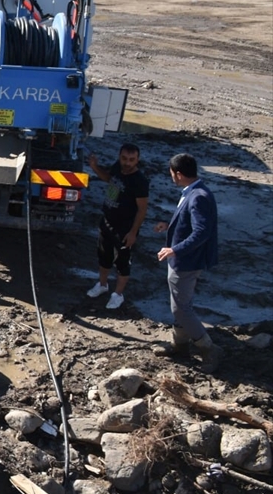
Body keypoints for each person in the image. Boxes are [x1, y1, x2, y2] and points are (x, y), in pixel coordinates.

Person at [153, 153, 222, 371]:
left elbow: (202, 232)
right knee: (178, 306)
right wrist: (170, 226)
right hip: (183, 260)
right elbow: (190, 223)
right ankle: (179, 345)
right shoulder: (194, 191)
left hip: (186, 262)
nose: (171, 177)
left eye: (172, 173)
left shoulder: (198, 196)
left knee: (182, 309)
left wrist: (175, 249)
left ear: (179, 174)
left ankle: (208, 349)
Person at [85, 143, 149, 310]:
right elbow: (108, 178)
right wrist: (94, 167)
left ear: (137, 160)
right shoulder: (117, 168)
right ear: (119, 157)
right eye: (124, 159)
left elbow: (142, 210)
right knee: (104, 256)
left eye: (131, 160)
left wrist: (133, 232)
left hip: (125, 227)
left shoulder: (140, 182)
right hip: (107, 221)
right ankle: (102, 284)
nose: (127, 163)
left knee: (122, 262)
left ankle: (118, 294)